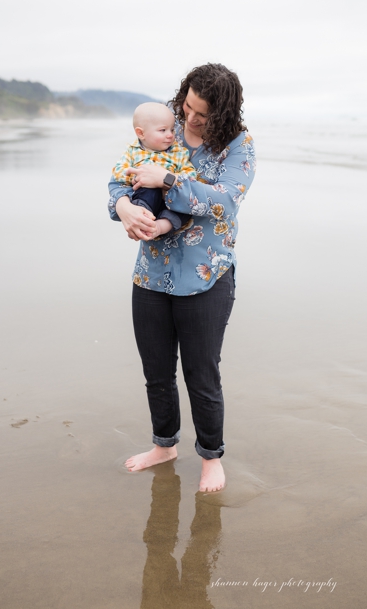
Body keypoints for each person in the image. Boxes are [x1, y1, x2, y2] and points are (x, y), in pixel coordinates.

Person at [109, 63, 253, 494]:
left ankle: (211, 458)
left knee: (201, 375)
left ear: (222, 113)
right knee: (156, 371)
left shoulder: (238, 145)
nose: (189, 118)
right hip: (151, 274)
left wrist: (168, 179)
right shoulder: (163, 125)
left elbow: (224, 202)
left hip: (206, 277)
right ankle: (164, 446)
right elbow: (124, 175)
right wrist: (122, 207)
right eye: (187, 106)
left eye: (201, 114)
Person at [109, 101, 192, 235]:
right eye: (163, 130)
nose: (170, 135)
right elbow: (118, 172)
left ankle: (159, 227)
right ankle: (143, 219)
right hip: (146, 198)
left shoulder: (178, 152)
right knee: (147, 191)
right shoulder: (133, 151)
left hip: (170, 198)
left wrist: (172, 180)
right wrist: (137, 176)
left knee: (184, 208)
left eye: (172, 129)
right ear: (141, 133)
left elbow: (190, 174)